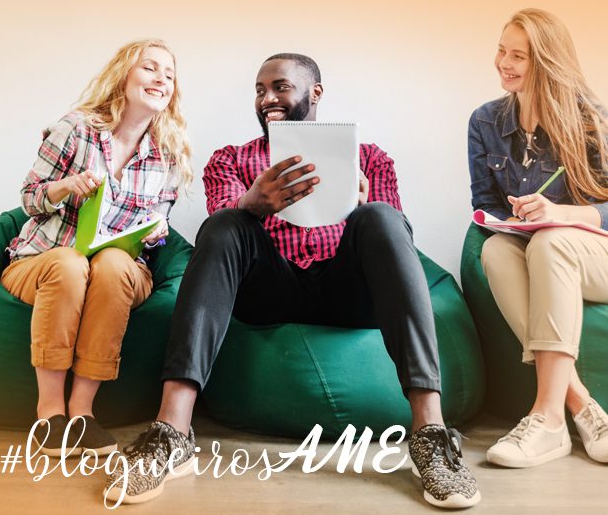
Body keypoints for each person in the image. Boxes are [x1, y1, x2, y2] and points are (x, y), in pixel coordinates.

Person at [107, 53, 481, 508]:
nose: (267, 98)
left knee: (382, 217)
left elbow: (396, 240)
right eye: (260, 91)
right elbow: (220, 236)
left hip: (348, 291)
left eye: (280, 87)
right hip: (269, 291)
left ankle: (430, 434)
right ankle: (171, 431)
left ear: (314, 93)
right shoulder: (231, 159)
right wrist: (250, 203)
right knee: (224, 224)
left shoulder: (370, 157)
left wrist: (361, 206)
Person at [1, 39, 192, 456]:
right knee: (71, 264)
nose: (161, 79)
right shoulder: (76, 128)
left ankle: (82, 412)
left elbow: (158, 229)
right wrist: (65, 187)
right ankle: (50, 412)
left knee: (114, 264)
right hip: (43, 260)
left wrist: (155, 231)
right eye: (150, 68)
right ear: (124, 75)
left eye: (169, 75)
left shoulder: (167, 155)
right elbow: (30, 198)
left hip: (117, 269)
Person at [468, 8, 608, 468]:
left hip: (595, 256)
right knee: (495, 250)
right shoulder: (485, 122)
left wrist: (560, 214)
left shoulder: (593, 121)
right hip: (537, 252)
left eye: (518, 56)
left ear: (546, 62)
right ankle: (583, 407)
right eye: (501, 50)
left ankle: (546, 418)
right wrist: (512, 218)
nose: (503, 63)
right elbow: (484, 205)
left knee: (552, 241)